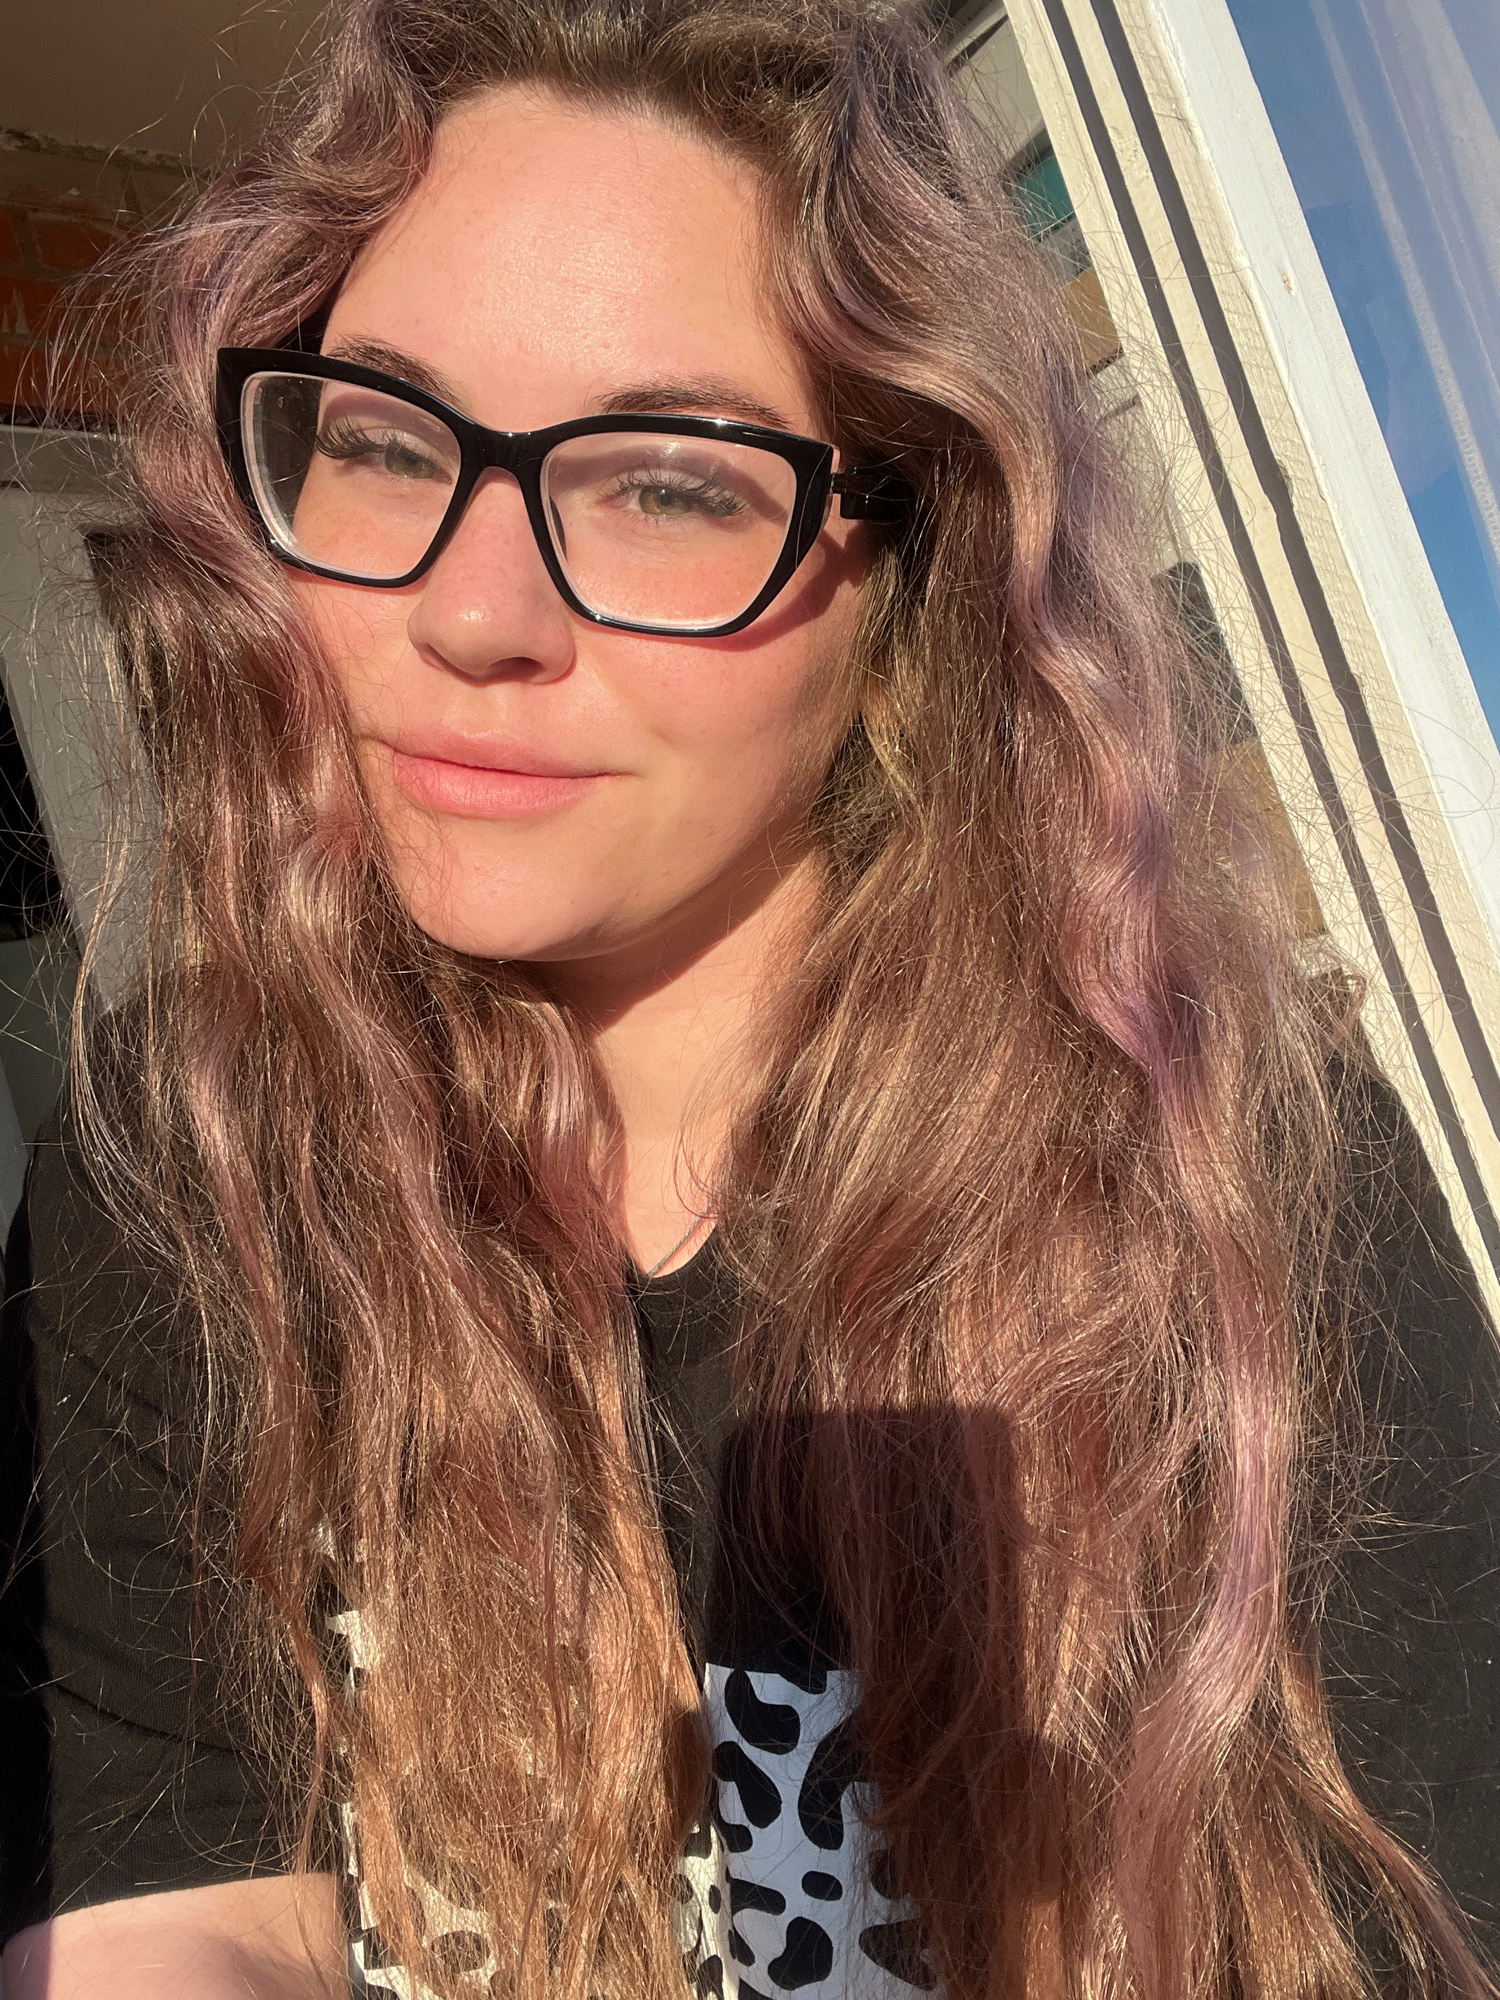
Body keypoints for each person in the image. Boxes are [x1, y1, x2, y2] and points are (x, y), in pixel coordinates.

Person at [1, 0, 1496, 1994]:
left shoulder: (1237, 1202)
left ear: (912, 573)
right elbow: (178, 1884)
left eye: (670, 484)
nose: (467, 612)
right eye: (381, 437)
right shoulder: (195, 1151)